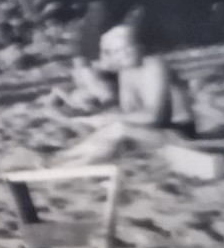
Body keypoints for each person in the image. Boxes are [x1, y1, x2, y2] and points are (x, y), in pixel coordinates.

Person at [55, 21, 197, 165]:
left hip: (179, 136)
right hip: (153, 134)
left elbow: (153, 116)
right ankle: (68, 159)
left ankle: (72, 162)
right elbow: (129, 113)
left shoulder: (153, 65)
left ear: (137, 46)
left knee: (117, 129)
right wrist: (95, 118)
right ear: (110, 55)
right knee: (106, 132)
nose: (125, 53)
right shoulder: (126, 71)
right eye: (118, 51)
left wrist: (108, 119)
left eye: (128, 47)